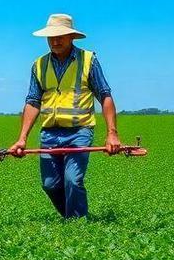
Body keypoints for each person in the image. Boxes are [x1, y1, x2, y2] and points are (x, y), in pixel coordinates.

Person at [8, 14, 121, 219]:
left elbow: (105, 96)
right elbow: (33, 101)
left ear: (72, 37)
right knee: (50, 184)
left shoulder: (88, 61)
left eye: (60, 36)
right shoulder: (39, 65)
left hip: (79, 131)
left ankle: (77, 227)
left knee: (73, 179)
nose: (55, 40)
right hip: (50, 133)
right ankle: (71, 218)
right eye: (51, 36)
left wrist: (112, 134)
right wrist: (22, 138)